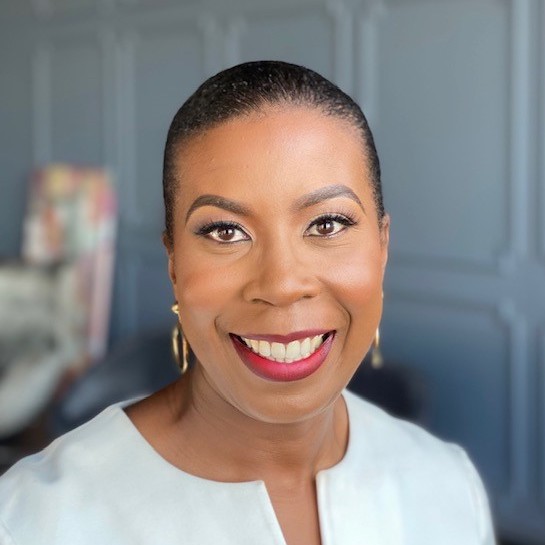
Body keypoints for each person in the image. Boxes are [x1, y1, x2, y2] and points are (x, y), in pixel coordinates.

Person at [0, 61, 495, 545]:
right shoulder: (32, 520)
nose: (280, 284)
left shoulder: (446, 485)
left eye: (327, 224)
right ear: (174, 262)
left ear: (382, 248)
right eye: (225, 231)